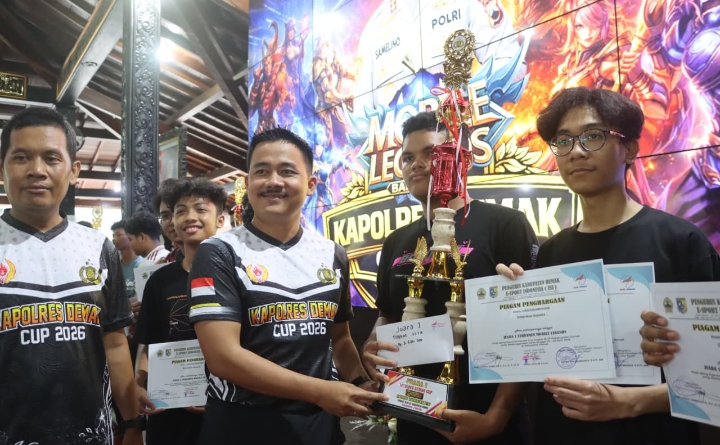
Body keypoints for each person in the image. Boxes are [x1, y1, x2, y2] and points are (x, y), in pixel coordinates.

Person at [495, 87, 720, 444]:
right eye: (563, 141)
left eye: (593, 136)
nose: (576, 151)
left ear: (628, 149)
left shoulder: (681, 242)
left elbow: (713, 380)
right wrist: (512, 307)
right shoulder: (551, 253)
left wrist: (628, 402)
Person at [188, 128, 386, 445]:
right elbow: (222, 357)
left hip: (319, 426)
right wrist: (320, 391)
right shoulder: (219, 252)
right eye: (261, 171)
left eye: (287, 171)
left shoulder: (332, 254)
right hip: (241, 424)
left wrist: (361, 382)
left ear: (310, 185)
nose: (273, 181)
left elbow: (339, 339)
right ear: (248, 184)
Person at [361, 111, 539, 445]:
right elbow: (387, 313)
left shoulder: (505, 224)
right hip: (414, 411)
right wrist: (372, 345)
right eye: (408, 158)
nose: (417, 164)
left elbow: (526, 328)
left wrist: (495, 419)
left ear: (460, 160)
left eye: (431, 153)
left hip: (484, 419)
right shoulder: (397, 240)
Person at [0, 107, 142, 444]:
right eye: (21, 157)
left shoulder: (99, 248)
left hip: (91, 435)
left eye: (51, 158)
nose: (37, 170)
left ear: (73, 170)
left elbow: (114, 344)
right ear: (2, 169)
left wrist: (134, 424)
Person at [134, 177, 227, 444]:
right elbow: (151, 342)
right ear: (172, 222)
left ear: (220, 220)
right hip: (170, 410)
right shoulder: (159, 281)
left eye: (200, 209)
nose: (190, 217)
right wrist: (138, 384)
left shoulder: (236, 277)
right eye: (181, 211)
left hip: (226, 405)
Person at [112, 220, 144, 299]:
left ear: (130, 236)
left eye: (118, 235)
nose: (114, 239)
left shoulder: (141, 264)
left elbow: (138, 299)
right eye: (113, 235)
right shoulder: (114, 266)